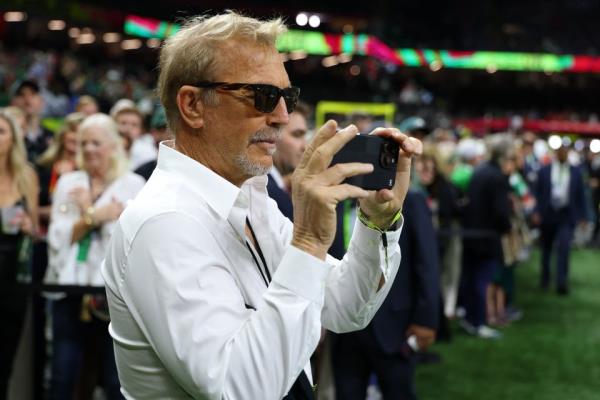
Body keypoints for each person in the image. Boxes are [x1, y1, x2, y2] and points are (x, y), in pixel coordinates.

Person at [102, 11, 421, 400]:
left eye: (287, 97)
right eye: (263, 96)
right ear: (193, 106)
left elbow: (345, 307)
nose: (283, 116)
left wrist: (377, 221)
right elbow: (243, 389)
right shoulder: (165, 222)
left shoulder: (250, 198)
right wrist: (307, 240)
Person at [45, 113, 145, 400]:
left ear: (114, 145)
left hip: (113, 297)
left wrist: (88, 217)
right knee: (62, 373)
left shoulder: (133, 185)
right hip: (69, 290)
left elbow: (126, 244)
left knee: (115, 379)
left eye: (96, 143)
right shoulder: (69, 182)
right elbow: (58, 235)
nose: (89, 149)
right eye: (84, 143)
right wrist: (94, 216)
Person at [332, 190, 440, 400]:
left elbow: (427, 262)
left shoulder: (411, 200)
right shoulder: (338, 199)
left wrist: (426, 319)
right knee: (346, 392)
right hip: (344, 328)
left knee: (398, 391)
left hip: (394, 325)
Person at [0, 111, 39, 400]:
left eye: (1, 131)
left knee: (6, 351)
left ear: (13, 137)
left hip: (15, 272)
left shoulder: (26, 175)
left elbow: (36, 229)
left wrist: (29, 226)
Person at [461, 135, 514, 339]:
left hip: (471, 234)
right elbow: (501, 212)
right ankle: (479, 322)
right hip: (487, 237)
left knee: (471, 279)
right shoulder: (496, 176)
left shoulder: (480, 170)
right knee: (482, 281)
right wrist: (507, 228)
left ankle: (469, 318)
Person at [533, 142, 586, 295]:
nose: (562, 153)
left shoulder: (576, 172)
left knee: (564, 249)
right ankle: (545, 279)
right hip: (548, 214)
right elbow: (538, 192)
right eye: (560, 151)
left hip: (566, 215)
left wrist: (582, 217)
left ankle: (561, 282)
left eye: (565, 151)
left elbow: (580, 196)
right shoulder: (545, 170)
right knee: (546, 249)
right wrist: (536, 212)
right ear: (555, 153)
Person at [267, 101, 310, 221]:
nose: (305, 146)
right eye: (297, 135)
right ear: (271, 135)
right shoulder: (267, 192)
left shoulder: (277, 186)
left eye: (304, 136)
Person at [10, 80, 54, 161]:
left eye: (33, 94)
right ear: (13, 102)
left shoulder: (52, 137)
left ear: (41, 101)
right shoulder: (7, 137)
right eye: (21, 95)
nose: (27, 99)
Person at [133, 106, 173, 181]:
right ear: (153, 133)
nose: (170, 135)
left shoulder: (191, 170)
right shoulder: (140, 174)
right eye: (164, 129)